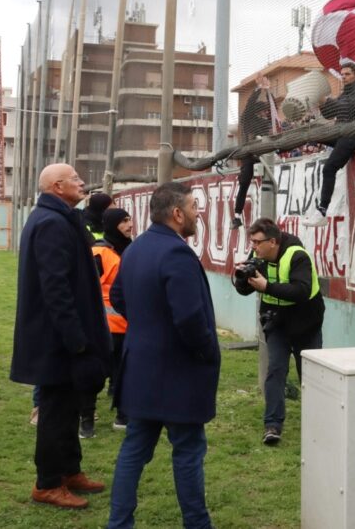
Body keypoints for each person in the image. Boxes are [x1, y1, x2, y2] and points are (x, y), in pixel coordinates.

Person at [106, 182, 219, 529]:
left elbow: (120, 298)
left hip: (140, 369)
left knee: (135, 449)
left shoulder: (136, 249)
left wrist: (147, 326)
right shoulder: (177, 254)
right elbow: (189, 318)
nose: (198, 213)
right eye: (194, 207)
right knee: (188, 449)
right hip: (178, 373)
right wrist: (205, 350)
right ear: (177, 213)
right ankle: (197, 523)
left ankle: (119, 522)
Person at [10, 163, 111, 510]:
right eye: (75, 179)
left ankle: (69, 471)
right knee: (55, 411)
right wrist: (77, 340)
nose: (83, 183)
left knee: (69, 407)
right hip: (57, 338)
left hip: (65, 336)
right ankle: (48, 483)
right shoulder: (51, 223)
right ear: (56, 187)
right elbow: (56, 289)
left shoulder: (62, 218)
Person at [233, 218, 325, 445]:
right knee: (275, 370)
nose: (253, 247)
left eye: (257, 242)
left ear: (272, 241)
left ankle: (319, 423)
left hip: (306, 325)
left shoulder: (297, 256)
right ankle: (272, 426)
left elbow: (301, 291)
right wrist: (242, 278)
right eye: (252, 242)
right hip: (277, 324)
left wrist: (267, 287)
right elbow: (246, 291)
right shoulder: (259, 256)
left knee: (310, 375)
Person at [304, 62, 355, 227]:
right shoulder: (346, 93)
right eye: (342, 74)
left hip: (354, 135)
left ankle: (322, 211)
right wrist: (322, 103)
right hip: (342, 133)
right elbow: (331, 114)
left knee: (329, 168)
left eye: (347, 74)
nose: (343, 77)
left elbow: (348, 108)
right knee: (312, 133)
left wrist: (327, 100)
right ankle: (279, 149)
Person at [91, 207, 133, 432]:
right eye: (123, 221)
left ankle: (122, 415)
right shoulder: (99, 252)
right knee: (97, 373)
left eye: (130, 220)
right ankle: (86, 416)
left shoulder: (130, 249)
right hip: (106, 326)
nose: (129, 225)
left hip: (127, 324)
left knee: (125, 373)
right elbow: (89, 287)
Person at [232, 75, 274, 230]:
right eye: (262, 111)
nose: (265, 113)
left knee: (270, 178)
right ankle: (237, 215)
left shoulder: (265, 122)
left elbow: (273, 109)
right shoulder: (247, 118)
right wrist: (259, 89)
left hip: (264, 153)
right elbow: (250, 105)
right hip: (249, 155)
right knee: (244, 182)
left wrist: (268, 91)